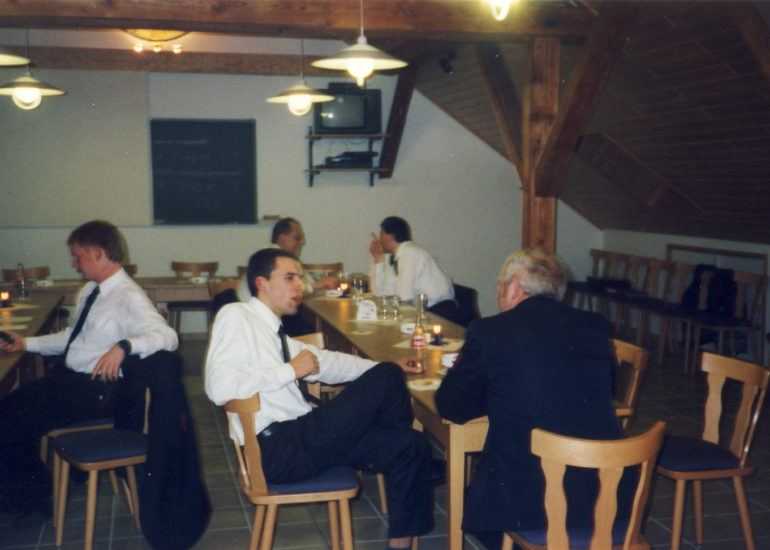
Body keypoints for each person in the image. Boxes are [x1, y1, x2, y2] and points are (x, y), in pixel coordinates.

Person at [206, 248, 434, 548]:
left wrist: (384, 365)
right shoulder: (236, 316)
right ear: (262, 283)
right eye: (290, 278)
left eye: (300, 278)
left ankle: (399, 544)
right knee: (389, 379)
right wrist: (289, 371)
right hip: (280, 449)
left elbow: (328, 363)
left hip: (305, 441)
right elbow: (217, 386)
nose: (300, 285)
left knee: (410, 445)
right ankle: (408, 458)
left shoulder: (274, 332)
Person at [434, 249, 634, 550]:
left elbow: (451, 407)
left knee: (473, 500)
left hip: (532, 505)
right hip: (605, 497)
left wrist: (493, 390)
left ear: (515, 287)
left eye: (501, 284)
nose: (498, 292)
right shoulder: (595, 325)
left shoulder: (489, 331)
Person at [0, 220, 179, 526]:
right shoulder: (91, 291)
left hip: (96, 391)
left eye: (77, 256)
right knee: (11, 410)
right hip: (70, 382)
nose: (74, 263)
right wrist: (26, 343)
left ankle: (35, 497)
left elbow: (168, 337)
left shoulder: (128, 296)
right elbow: (73, 337)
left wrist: (125, 346)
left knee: (11, 418)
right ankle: (30, 490)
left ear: (98, 253)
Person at [369, 216, 456, 319]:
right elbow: (379, 294)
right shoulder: (396, 257)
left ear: (390, 237)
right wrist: (378, 259)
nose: (379, 240)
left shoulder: (411, 253)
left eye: (381, 236)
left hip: (438, 311)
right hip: (421, 310)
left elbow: (403, 296)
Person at [236, 217, 337, 302]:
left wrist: (320, 285)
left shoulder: (287, 258)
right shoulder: (271, 258)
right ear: (281, 238)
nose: (302, 242)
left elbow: (308, 286)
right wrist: (315, 286)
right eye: (297, 238)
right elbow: (284, 292)